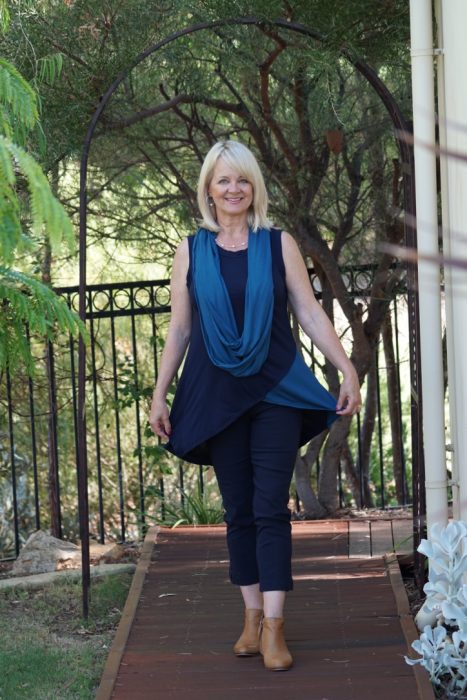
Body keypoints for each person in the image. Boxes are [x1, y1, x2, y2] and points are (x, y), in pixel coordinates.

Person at [149, 140, 361, 672]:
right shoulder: (190, 251)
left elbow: (309, 313)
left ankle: (273, 626)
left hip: (275, 391)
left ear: (254, 187)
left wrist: (347, 367)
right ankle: (248, 616)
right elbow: (179, 328)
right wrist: (159, 393)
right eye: (223, 180)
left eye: (242, 179)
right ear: (208, 190)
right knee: (238, 509)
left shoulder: (277, 244)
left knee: (271, 508)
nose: (233, 189)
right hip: (217, 394)